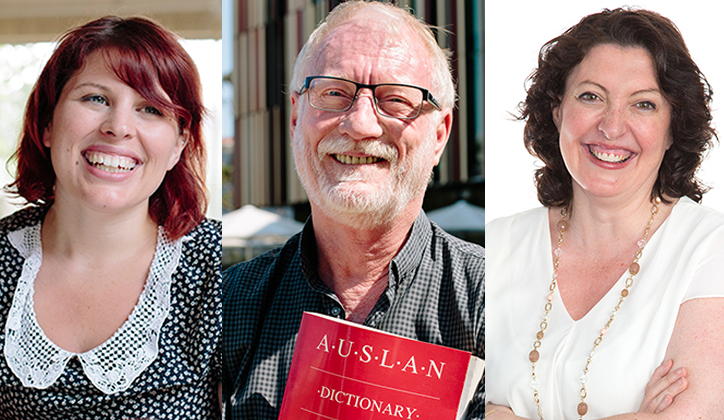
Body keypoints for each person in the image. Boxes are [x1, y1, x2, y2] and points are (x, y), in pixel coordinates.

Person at [222, 1, 484, 419]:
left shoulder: (497, 302)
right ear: (295, 119)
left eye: (396, 100)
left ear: (439, 135)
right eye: (333, 93)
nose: (360, 125)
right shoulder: (224, 307)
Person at [485, 7, 724, 420]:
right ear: (558, 110)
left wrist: (500, 412)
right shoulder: (496, 246)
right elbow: (440, 403)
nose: (612, 128)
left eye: (644, 105)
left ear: (673, 128)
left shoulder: (709, 248)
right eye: (591, 96)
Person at [0, 16, 221, 418]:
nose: (119, 127)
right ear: (47, 123)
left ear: (178, 146)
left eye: (150, 109)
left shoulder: (219, 268)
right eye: (95, 99)